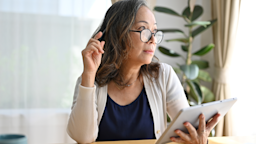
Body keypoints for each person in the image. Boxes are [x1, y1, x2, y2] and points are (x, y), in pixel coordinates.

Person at [67, 0, 220, 143]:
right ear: (120, 34)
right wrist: (89, 75)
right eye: (144, 30)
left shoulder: (163, 75)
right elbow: (83, 138)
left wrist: (199, 138)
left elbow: (189, 128)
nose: (153, 39)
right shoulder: (88, 81)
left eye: (154, 31)